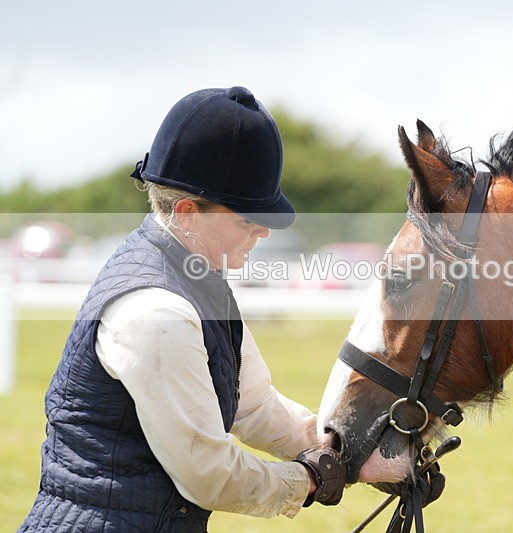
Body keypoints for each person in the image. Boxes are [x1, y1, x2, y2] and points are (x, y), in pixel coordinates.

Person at [20, 86, 346, 532]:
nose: (263, 234)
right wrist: (308, 480)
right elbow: (207, 473)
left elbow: (252, 406)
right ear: (191, 213)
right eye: (249, 219)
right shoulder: (156, 312)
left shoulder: (200, 281)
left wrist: (342, 449)